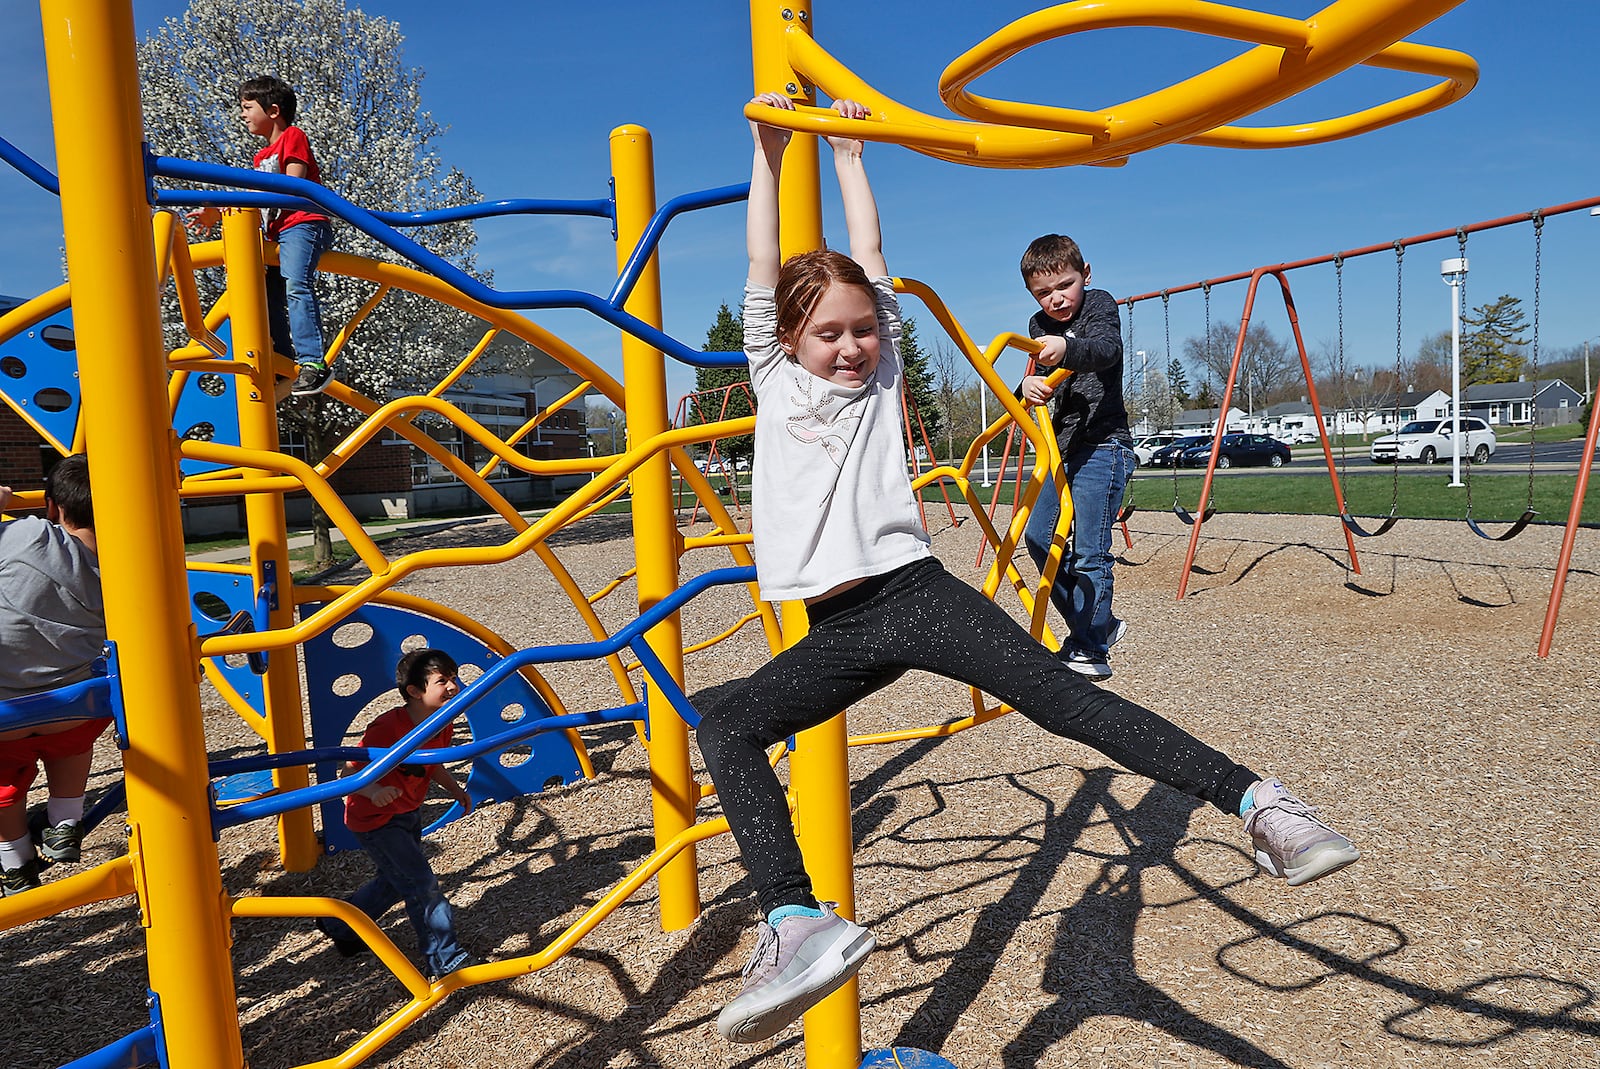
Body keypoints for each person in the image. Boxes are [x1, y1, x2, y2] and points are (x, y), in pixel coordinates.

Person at [695, 94, 1361, 1046]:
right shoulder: (775, 373)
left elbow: (874, 262)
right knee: (728, 730)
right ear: (791, 342)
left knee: (1065, 698)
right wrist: (767, 154)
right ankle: (796, 921)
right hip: (835, 627)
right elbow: (763, 264)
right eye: (829, 334)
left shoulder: (879, 378)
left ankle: (1263, 805)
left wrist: (846, 155)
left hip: (912, 595)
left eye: (863, 330)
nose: (850, 347)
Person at [1015, 234, 1137, 679]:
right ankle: (1099, 626)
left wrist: (1067, 348)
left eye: (1064, 286)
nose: (1056, 299)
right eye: (1043, 293)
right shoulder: (1038, 324)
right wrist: (1024, 389)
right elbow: (1045, 381)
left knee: (1090, 550)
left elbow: (1107, 351)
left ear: (1085, 275)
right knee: (1038, 539)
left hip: (1103, 443)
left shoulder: (1099, 305)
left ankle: (1089, 648)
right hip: (1062, 449)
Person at [315, 648, 474, 980]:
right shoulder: (388, 728)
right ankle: (445, 961)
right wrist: (375, 791)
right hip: (376, 820)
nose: (453, 686)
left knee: (393, 881)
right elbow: (350, 774)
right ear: (414, 691)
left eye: (454, 677)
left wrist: (456, 790)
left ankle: (339, 925)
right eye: (442, 680)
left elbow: (433, 764)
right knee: (421, 884)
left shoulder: (443, 719)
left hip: (407, 813)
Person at [0, 455, 109, 895]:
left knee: (4, 782)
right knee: (73, 743)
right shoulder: (131, 568)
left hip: (5, 718)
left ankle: (14, 864)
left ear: (52, 508)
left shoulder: (26, 537)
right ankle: (65, 821)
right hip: (74, 713)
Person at [190, 74, 335, 397]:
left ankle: (313, 363)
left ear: (272, 111)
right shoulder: (260, 158)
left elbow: (292, 187)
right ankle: (282, 362)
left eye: (246, 107)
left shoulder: (293, 136)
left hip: (302, 223)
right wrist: (218, 209)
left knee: (297, 284)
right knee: (264, 291)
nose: (242, 114)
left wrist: (249, 198)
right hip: (275, 232)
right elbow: (255, 199)